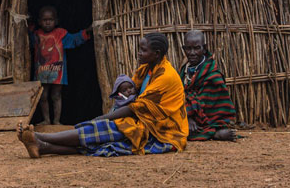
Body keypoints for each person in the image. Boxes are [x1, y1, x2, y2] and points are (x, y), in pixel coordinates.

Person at [17, 32, 188, 158]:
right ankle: (42, 147)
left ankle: (40, 137)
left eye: (143, 50)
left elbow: (135, 107)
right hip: (146, 122)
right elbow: (132, 94)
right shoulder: (148, 69)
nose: (139, 53)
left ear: (156, 54)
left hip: (164, 132)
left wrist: (104, 117)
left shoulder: (165, 76)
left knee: (104, 128)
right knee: (102, 139)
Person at [30, 5, 91, 125]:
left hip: (58, 72)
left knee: (56, 95)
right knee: (42, 96)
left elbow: (74, 40)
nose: (48, 23)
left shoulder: (61, 34)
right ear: (39, 21)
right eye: (44, 20)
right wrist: (28, 23)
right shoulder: (36, 35)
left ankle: (57, 121)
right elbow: (26, 35)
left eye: (50, 20)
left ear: (56, 21)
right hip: (41, 72)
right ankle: (46, 120)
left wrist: (86, 32)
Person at [179, 30, 237, 141]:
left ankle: (214, 132)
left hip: (208, 118)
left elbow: (205, 102)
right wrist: (188, 117)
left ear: (204, 49)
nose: (192, 53)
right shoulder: (184, 70)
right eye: (188, 48)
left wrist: (189, 115)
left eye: (197, 48)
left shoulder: (213, 75)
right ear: (183, 49)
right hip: (189, 116)